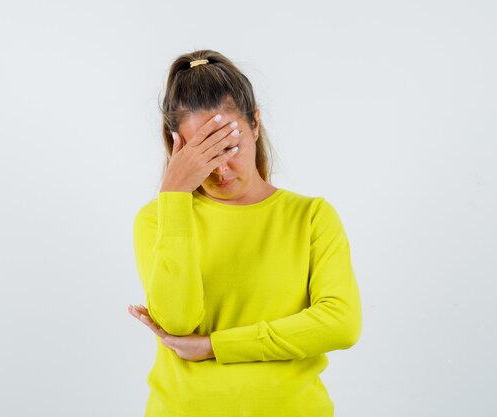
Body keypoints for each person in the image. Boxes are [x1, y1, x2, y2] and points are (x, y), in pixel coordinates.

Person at [127, 49, 362, 417]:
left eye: (229, 146)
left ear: (255, 123)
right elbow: (177, 322)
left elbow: (341, 324)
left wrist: (215, 346)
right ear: (179, 147)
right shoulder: (157, 219)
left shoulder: (311, 216)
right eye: (203, 153)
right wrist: (174, 198)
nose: (220, 168)